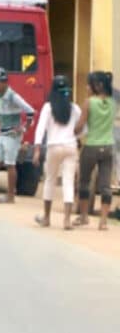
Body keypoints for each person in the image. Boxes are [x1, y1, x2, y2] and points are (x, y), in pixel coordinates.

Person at [33, 76, 81, 230]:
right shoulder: (75, 108)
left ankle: (46, 217)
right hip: (70, 147)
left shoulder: (48, 107)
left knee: (50, 181)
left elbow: (40, 129)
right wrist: (75, 136)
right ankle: (67, 220)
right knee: (68, 182)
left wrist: (37, 149)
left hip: (53, 147)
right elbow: (83, 129)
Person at [73, 72, 116, 230]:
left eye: (89, 84)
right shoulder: (112, 103)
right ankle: (103, 221)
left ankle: (84, 216)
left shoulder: (88, 102)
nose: (87, 87)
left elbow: (80, 126)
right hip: (109, 147)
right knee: (105, 186)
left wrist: (73, 132)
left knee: (84, 182)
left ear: (97, 86)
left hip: (91, 146)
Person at [0, 68, 35, 204]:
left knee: (10, 165)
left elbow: (30, 111)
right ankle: (21, 149)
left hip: (13, 134)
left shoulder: (13, 96)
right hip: (3, 133)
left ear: (4, 82)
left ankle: (10, 196)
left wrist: (24, 128)